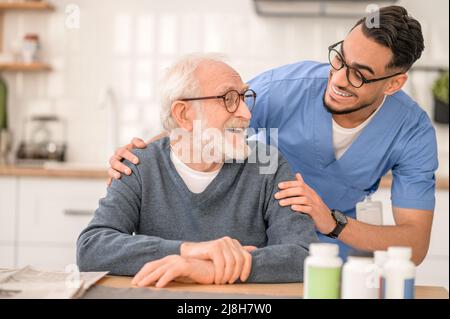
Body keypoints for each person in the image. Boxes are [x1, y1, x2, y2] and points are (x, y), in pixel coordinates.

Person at [107, 6, 437, 264]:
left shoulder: (411, 131)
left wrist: (332, 223)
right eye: (339, 58)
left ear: (393, 84)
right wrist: (140, 155)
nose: (337, 79)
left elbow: (415, 243)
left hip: (331, 253)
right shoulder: (283, 90)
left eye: (359, 76)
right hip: (262, 250)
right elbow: (206, 119)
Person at [77, 54, 318, 288]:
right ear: (184, 114)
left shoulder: (268, 163)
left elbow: (303, 254)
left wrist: (210, 270)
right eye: (228, 98)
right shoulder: (139, 165)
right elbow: (92, 247)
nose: (246, 113)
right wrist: (188, 251)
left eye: (244, 97)